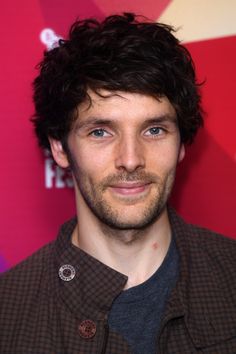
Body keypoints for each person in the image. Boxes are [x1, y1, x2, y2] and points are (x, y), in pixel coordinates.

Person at [0, 13, 235, 354]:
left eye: (154, 130)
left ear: (181, 144)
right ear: (60, 148)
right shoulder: (8, 315)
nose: (130, 158)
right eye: (100, 132)